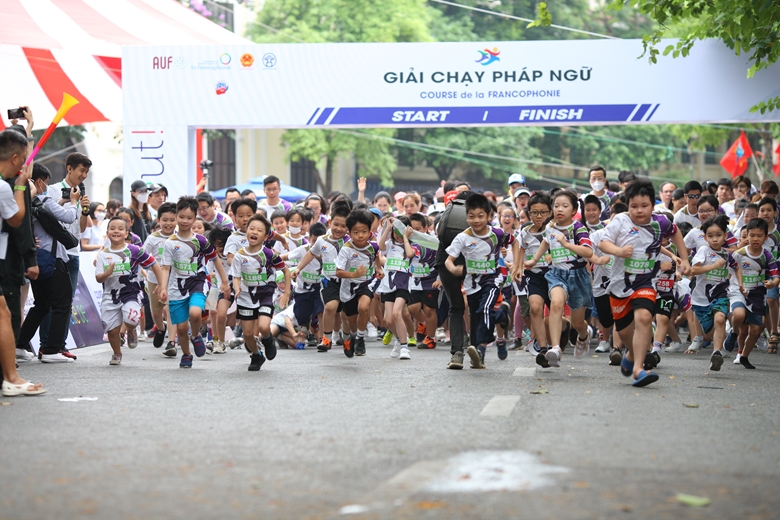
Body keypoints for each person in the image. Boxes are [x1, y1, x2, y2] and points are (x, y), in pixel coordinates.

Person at [599, 179, 690, 386]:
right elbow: (603, 243)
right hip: (620, 285)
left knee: (645, 317)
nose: (639, 211)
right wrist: (619, 251)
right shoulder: (620, 221)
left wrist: (684, 259)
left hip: (646, 282)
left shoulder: (660, 222)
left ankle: (638, 369)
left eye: (644, 205)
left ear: (652, 204)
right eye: (634, 206)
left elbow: (675, 232)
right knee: (623, 331)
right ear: (628, 205)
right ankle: (631, 354)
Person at [18, 163, 84, 363]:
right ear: (39, 182)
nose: (46, 187)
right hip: (53, 259)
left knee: (41, 305)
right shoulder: (44, 200)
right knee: (62, 304)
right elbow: (70, 217)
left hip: (35, 259)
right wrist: (74, 202)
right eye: (45, 183)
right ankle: (52, 349)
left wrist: (62, 202)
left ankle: (19, 346)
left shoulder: (23, 203)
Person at [446, 193, 520, 368]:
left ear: (489, 216)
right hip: (472, 284)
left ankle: (480, 350)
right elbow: (448, 260)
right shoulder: (463, 237)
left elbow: (515, 242)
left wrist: (517, 265)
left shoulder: (497, 233)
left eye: (480, 216)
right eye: (471, 216)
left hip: (493, 279)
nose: (476, 220)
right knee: (478, 316)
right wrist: (454, 269)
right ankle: (501, 315)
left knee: (485, 308)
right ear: (466, 217)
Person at [157, 196, 230, 368]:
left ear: (195, 218)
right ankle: (186, 354)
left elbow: (216, 259)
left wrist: (224, 281)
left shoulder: (201, 241)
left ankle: (196, 335)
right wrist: (163, 287)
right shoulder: (170, 243)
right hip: (176, 287)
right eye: (181, 217)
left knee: (196, 313)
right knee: (181, 328)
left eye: (189, 218)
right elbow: (165, 268)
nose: (185, 221)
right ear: (176, 216)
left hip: (197, 282)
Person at [524, 190, 593, 368]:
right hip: (557, 274)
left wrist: (566, 244)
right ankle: (555, 348)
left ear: (574, 210)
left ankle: (584, 335)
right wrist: (534, 260)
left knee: (577, 322)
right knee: (556, 303)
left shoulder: (578, 228)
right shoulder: (551, 227)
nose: (559, 209)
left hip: (578, 276)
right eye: (556, 206)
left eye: (564, 206)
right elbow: (546, 241)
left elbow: (588, 252)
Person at [0, 127, 45, 395]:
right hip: (4, 261)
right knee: (5, 314)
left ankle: (10, 377)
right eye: (25, 155)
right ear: (16, 158)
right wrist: (20, 185)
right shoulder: (3, 187)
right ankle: (11, 379)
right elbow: (17, 219)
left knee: (4, 312)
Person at [40, 152, 92, 356]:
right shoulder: (53, 190)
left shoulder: (80, 195)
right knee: (51, 302)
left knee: (67, 302)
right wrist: (68, 202)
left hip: (73, 253)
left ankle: (60, 345)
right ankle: (46, 345)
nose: (84, 175)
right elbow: (48, 217)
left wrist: (84, 209)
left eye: (86, 172)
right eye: (81, 170)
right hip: (56, 252)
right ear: (69, 168)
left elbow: (81, 228)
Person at [96, 216, 161, 365]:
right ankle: (117, 353)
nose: (116, 231)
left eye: (120, 229)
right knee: (112, 331)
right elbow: (99, 278)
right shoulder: (103, 255)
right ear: (107, 233)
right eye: (112, 228)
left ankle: (131, 330)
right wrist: (107, 273)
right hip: (110, 296)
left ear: (126, 233)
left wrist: (161, 284)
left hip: (131, 293)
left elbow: (153, 264)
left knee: (131, 319)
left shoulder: (134, 250)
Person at [231, 214, 290, 371]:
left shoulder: (269, 254)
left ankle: (268, 339)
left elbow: (286, 270)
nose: (254, 232)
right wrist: (237, 288)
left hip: (265, 293)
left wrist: (286, 293)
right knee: (248, 334)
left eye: (259, 230)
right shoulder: (239, 255)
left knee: (264, 327)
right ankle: (257, 355)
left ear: (265, 236)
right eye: (251, 228)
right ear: (246, 232)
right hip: (245, 297)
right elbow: (236, 277)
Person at [291, 201, 350, 352]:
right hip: (329, 281)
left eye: (343, 226)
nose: (339, 229)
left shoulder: (350, 242)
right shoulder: (322, 240)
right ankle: (326, 339)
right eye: (336, 224)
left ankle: (348, 338)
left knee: (345, 314)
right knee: (330, 307)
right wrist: (298, 268)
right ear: (330, 222)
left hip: (347, 281)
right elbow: (311, 253)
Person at [688, 215, 739, 372]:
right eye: (710, 236)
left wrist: (740, 285)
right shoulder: (703, 250)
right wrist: (714, 266)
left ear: (725, 236)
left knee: (720, 319)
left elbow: (736, 267)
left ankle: (716, 353)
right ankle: (712, 342)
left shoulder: (727, 255)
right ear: (705, 237)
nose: (715, 239)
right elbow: (694, 270)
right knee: (708, 333)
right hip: (701, 298)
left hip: (720, 295)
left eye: (718, 235)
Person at [729, 218, 779, 368]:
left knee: (756, 330)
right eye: (752, 235)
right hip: (739, 292)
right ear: (747, 236)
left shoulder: (767, 255)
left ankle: (744, 356)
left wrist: (772, 283)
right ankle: (734, 335)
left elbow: (775, 275)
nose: (755, 239)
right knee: (741, 321)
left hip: (757, 295)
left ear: (765, 237)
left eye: (759, 235)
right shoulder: (738, 254)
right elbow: (728, 273)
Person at [336, 209, 384, 358]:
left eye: (364, 231)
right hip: (349, 287)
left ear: (370, 231)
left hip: (366, 283)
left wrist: (378, 268)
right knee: (351, 321)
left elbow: (376, 257)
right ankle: (353, 336)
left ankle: (360, 339)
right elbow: (338, 272)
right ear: (349, 233)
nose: (360, 235)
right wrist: (354, 274)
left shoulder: (373, 246)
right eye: (356, 232)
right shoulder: (346, 250)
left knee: (363, 307)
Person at [281, 222, 327, 348]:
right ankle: (304, 330)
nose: (317, 245)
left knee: (321, 311)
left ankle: (323, 339)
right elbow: (285, 256)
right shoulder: (303, 250)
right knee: (301, 315)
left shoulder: (328, 251)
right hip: (303, 289)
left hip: (319, 288)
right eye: (314, 241)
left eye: (319, 241)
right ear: (309, 238)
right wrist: (272, 259)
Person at [377, 216, 415, 360]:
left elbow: (410, 254)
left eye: (401, 232)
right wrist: (388, 227)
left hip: (403, 284)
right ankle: (399, 340)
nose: (398, 235)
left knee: (397, 313)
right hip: (388, 284)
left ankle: (405, 348)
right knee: (388, 320)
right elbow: (380, 247)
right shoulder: (389, 244)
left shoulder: (412, 245)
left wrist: (405, 237)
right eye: (396, 232)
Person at [142, 202, 177, 352]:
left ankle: (171, 342)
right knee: (156, 312)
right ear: (158, 220)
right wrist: (157, 271)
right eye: (165, 220)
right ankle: (161, 329)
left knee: (170, 309)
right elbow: (143, 258)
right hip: (154, 279)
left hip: (173, 280)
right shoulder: (152, 238)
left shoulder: (180, 237)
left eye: (172, 220)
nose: (168, 223)